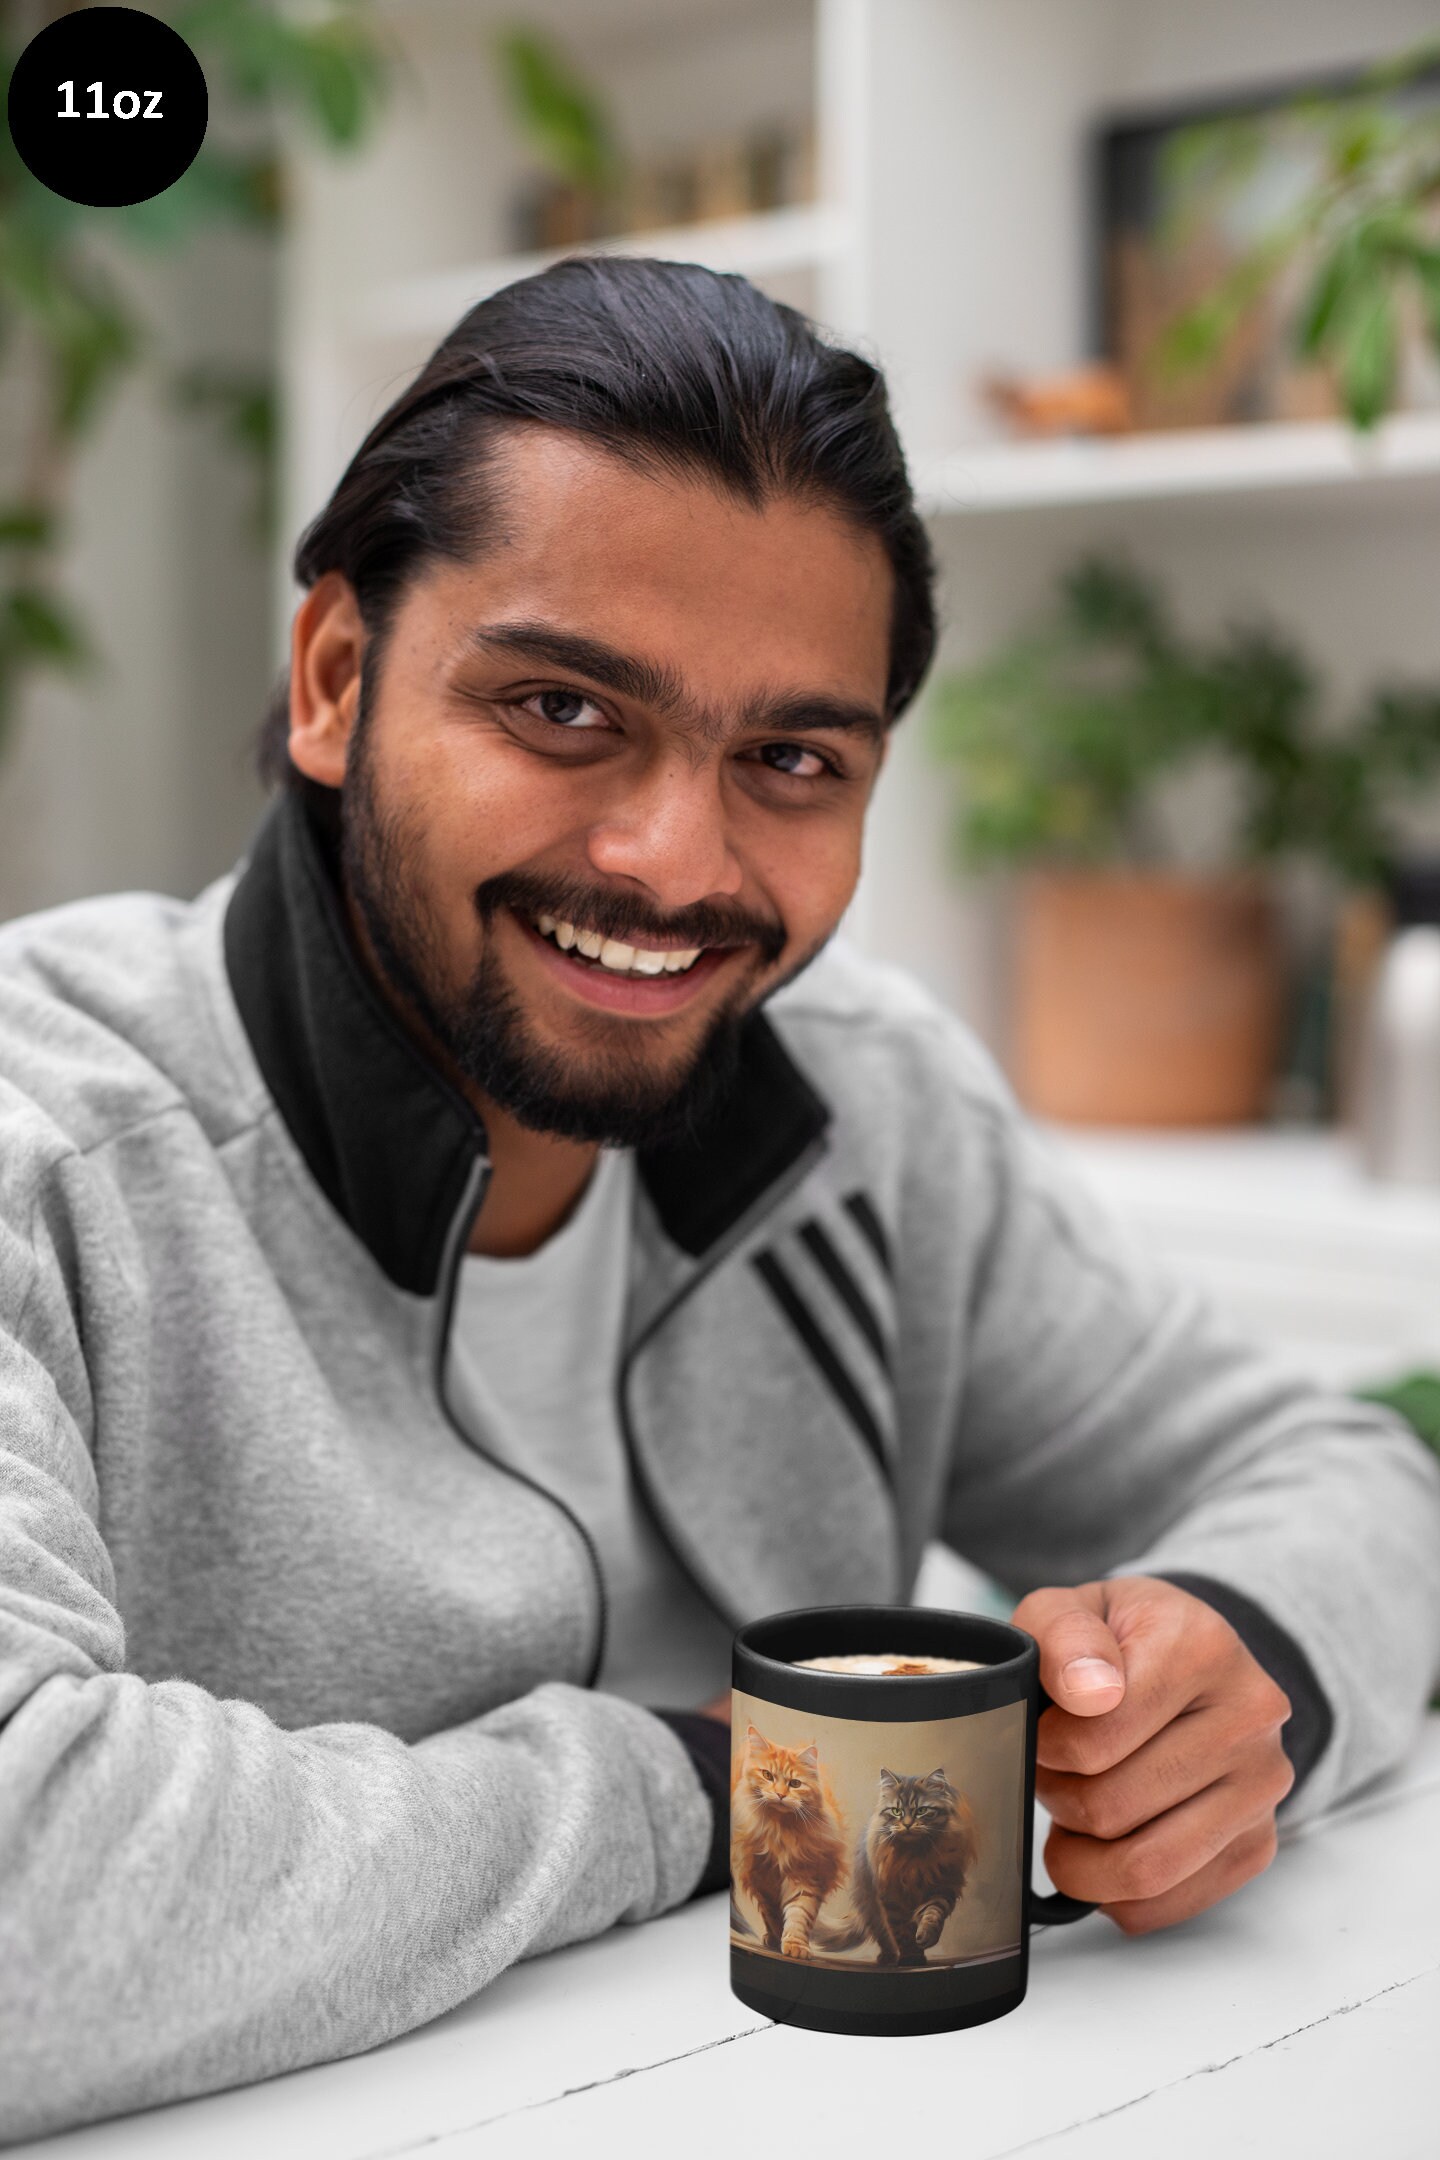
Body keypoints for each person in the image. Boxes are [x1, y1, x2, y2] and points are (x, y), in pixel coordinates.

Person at [1, 257, 1437, 2140]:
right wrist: (716, 1783)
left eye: (789, 760)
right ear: (338, 680)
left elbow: (1352, 1478)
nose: (675, 861)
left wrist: (1235, 1672)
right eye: (562, 711)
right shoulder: (46, 1138)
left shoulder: (876, 1105)